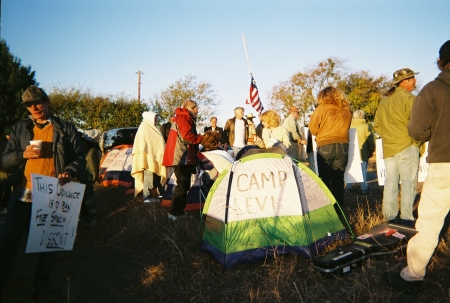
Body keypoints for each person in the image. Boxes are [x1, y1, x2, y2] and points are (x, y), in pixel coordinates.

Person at [0, 85, 86, 299]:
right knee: (7, 244)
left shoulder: (65, 128)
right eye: (29, 105)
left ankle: (41, 289)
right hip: (22, 196)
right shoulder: (20, 128)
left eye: (38, 102)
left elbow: (79, 158)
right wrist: (22, 154)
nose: (34, 107)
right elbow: (4, 159)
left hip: (51, 197)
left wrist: (69, 171)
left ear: (47, 102)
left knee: (48, 248)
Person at [386, 40, 450, 291]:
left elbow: (417, 130)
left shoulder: (433, 89)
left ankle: (412, 274)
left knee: (430, 221)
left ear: (440, 61)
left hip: (445, 161)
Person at [373, 68, 422, 226]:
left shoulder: (384, 100)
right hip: (407, 145)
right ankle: (407, 218)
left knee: (390, 184)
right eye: (412, 78)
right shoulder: (410, 99)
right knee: (408, 185)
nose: (415, 81)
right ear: (405, 81)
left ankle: (390, 218)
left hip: (389, 148)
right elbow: (417, 125)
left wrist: (388, 136)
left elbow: (377, 126)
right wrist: (416, 143)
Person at [308, 86, 352, 211]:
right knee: (339, 179)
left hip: (325, 145)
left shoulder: (321, 109)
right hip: (343, 145)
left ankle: (327, 209)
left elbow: (313, 129)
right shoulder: (347, 109)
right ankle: (339, 210)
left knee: (325, 179)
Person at [162, 100, 202, 221]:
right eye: (196, 108)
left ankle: (179, 211)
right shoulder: (184, 118)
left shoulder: (183, 117)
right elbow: (187, 137)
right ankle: (174, 212)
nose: (197, 110)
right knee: (182, 185)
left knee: (184, 185)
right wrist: (201, 138)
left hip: (182, 157)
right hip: (181, 157)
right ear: (189, 107)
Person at [131, 111, 167, 203]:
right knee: (149, 177)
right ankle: (147, 196)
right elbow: (143, 144)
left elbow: (158, 142)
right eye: (155, 118)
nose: (156, 120)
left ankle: (159, 193)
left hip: (157, 157)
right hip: (147, 158)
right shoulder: (144, 128)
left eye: (156, 118)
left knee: (158, 176)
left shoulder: (155, 128)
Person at [345, 110, 375, 195]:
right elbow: (370, 141)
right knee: (363, 170)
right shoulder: (366, 126)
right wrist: (371, 150)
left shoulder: (349, 126)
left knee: (350, 169)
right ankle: (364, 188)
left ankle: (348, 187)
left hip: (351, 152)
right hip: (363, 152)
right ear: (362, 116)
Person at [77, 129, 103, 227]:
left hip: (86, 174)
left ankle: (92, 217)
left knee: (88, 198)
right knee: (87, 196)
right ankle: (87, 217)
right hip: (90, 175)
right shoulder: (95, 147)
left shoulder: (87, 147)